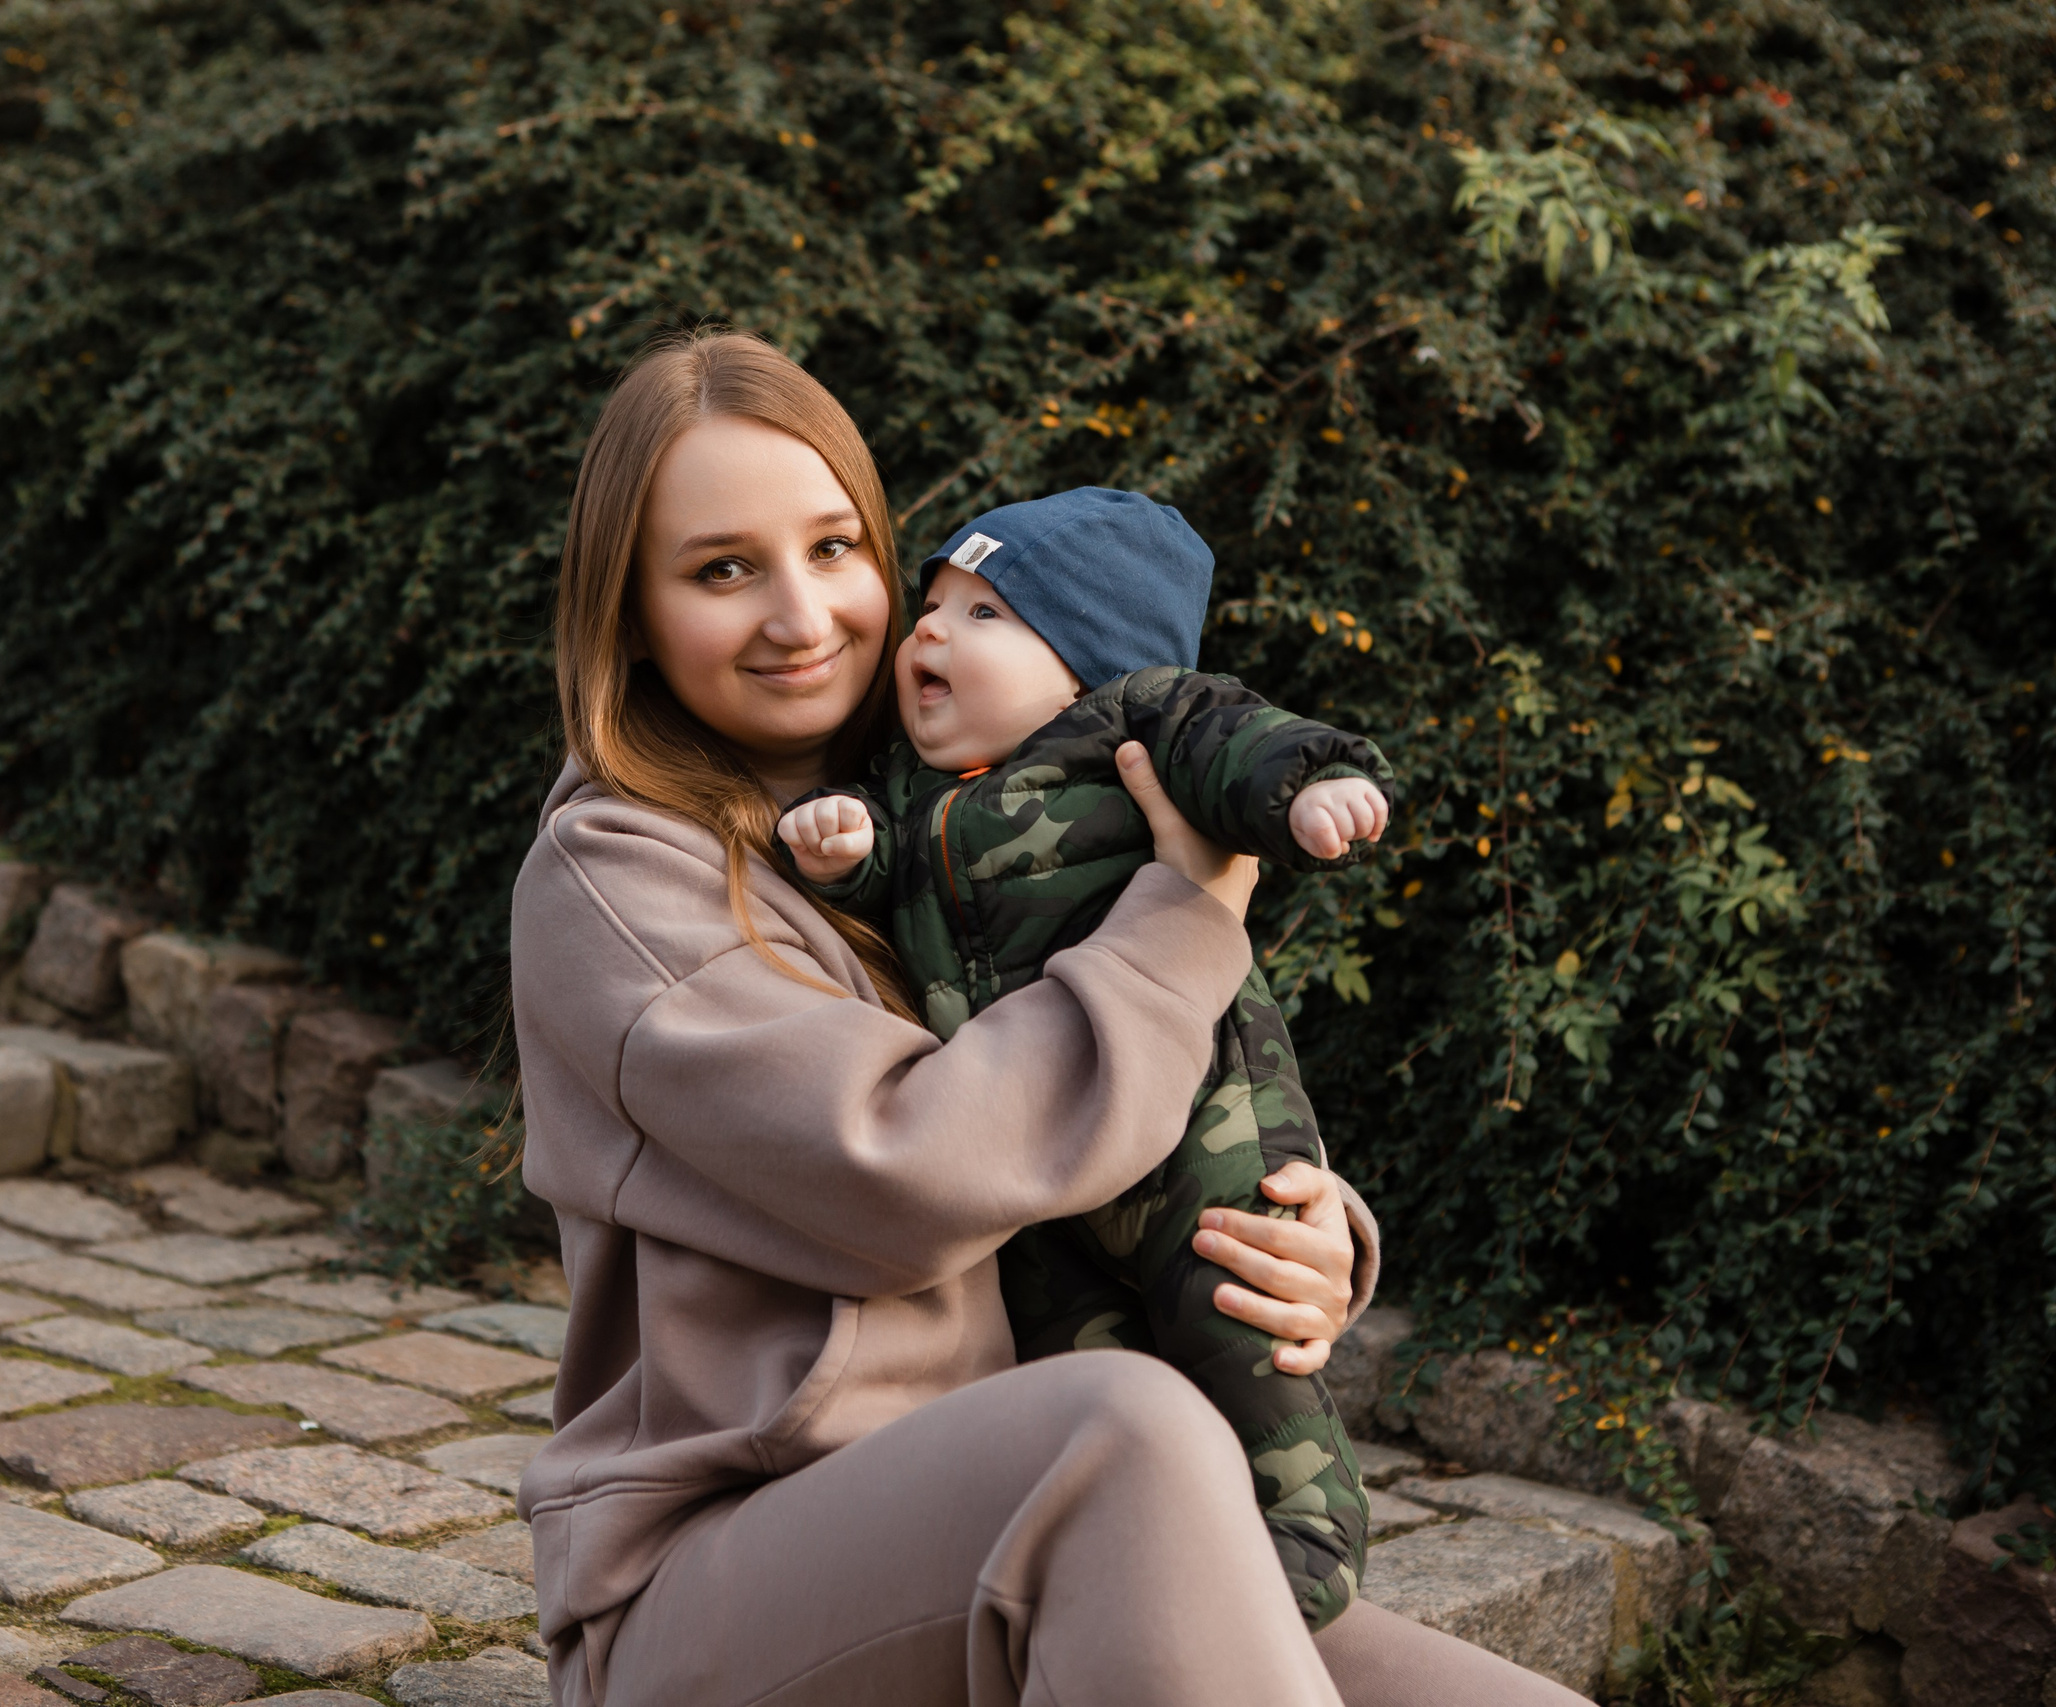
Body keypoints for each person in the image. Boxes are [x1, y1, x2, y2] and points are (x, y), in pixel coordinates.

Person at [511, 326, 1589, 1707]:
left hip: (1034, 1521)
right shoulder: (613, 875)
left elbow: (1136, 1084)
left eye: (836, 546)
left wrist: (1296, 1225)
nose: (802, 612)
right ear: (632, 612)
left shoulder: (957, 800)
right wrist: (1191, 908)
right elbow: (920, 1164)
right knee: (1118, 1427)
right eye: (724, 568)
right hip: (718, 1587)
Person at [771, 486, 1397, 1629]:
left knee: (1235, 1317)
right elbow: (887, 898)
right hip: (1042, 1186)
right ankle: (1138, 1555)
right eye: (935, 604)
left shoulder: (1135, 725)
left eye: (986, 614)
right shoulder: (907, 789)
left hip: (1199, 1134)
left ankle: (1301, 1539)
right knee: (1075, 1364)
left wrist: (1314, 786)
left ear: (1086, 666)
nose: (930, 633)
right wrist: (844, 853)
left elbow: (1234, 741)